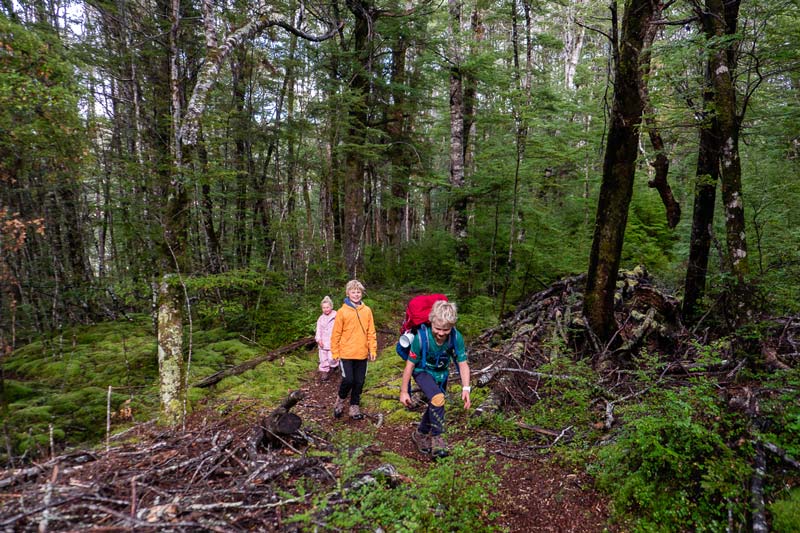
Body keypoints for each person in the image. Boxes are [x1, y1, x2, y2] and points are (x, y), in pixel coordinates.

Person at [399, 300, 471, 458]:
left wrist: (466, 388)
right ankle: (438, 440)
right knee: (438, 398)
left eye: (446, 329)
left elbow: (463, 363)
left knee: (436, 402)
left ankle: (420, 433)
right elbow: (409, 365)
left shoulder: (455, 337)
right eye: (437, 328)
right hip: (422, 371)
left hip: (441, 374)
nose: (441, 333)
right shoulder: (420, 337)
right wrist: (404, 391)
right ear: (431, 322)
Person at [330, 279, 378, 420]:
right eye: (353, 292)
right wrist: (335, 352)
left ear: (362, 294)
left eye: (358, 292)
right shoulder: (342, 312)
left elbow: (371, 332)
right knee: (348, 380)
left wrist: (372, 349)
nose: (356, 294)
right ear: (348, 293)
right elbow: (336, 334)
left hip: (362, 353)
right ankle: (340, 401)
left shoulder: (367, 311)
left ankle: (354, 406)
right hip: (346, 353)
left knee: (359, 381)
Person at [314, 296, 338, 382]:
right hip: (323, 342)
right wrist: (318, 339)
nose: (326, 309)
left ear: (331, 307)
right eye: (324, 308)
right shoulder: (320, 318)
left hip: (333, 342)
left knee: (332, 358)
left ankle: (335, 366)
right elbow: (318, 330)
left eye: (327, 307)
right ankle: (324, 371)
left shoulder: (337, 316)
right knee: (323, 358)